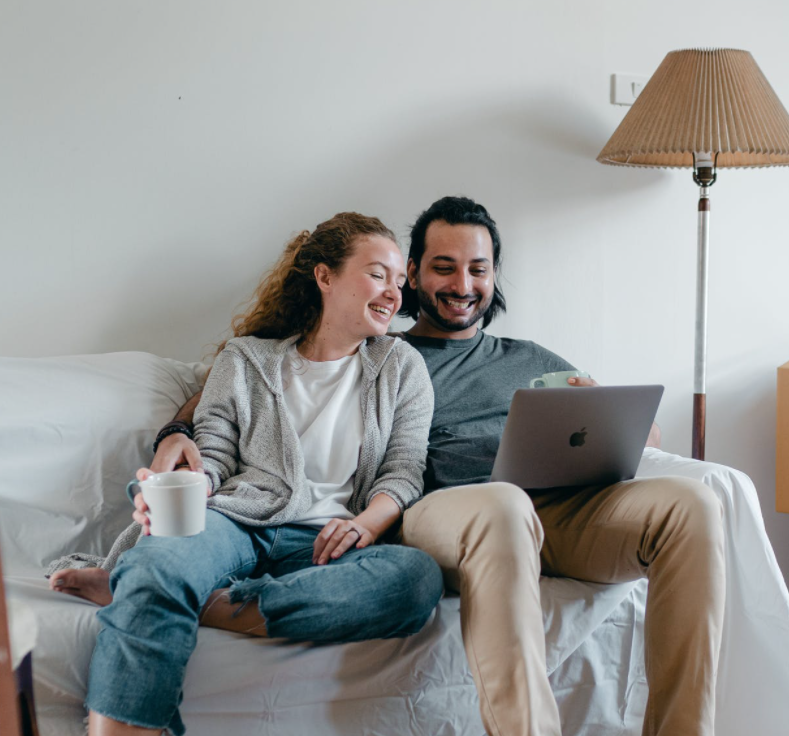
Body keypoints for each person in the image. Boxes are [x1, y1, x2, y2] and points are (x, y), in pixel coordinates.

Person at [101, 197, 725, 736]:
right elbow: (231, 392)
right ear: (417, 275)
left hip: (555, 507)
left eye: (478, 268)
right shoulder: (390, 352)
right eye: (441, 267)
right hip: (461, 511)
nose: (462, 284)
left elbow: (637, 435)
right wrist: (176, 438)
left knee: (695, 503)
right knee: (501, 506)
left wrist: (604, 410)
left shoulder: (523, 355)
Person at [49, 213, 444, 736]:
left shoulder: (402, 367)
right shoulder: (246, 359)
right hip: (238, 520)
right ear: (325, 277)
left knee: (415, 579)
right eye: (377, 275)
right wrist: (191, 486)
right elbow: (213, 455)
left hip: (327, 540)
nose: (394, 293)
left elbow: (404, 471)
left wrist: (366, 525)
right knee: (159, 558)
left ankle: (188, 600)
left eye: (398, 281)